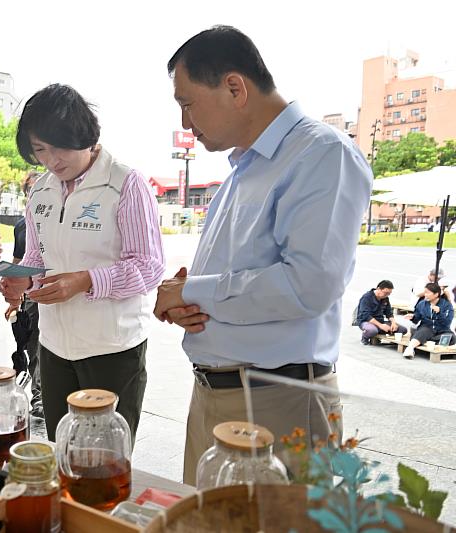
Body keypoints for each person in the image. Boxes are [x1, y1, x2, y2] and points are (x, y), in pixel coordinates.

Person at [152, 26, 372, 484]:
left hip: (278, 398)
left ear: (235, 87)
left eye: (187, 104)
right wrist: (190, 300)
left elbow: (307, 285)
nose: (187, 124)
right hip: (218, 391)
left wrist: (193, 291)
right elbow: (239, 274)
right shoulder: (243, 168)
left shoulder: (321, 154)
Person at [0, 84, 165, 442]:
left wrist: (86, 280)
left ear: (86, 136)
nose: (52, 160)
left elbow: (149, 266)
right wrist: (22, 280)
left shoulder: (125, 184)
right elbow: (37, 258)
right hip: (55, 345)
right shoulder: (41, 190)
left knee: (106, 458)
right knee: (64, 449)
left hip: (112, 348)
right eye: (41, 150)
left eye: (59, 147)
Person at [5, 170, 43, 418]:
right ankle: (38, 394)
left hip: (53, 292)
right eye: (30, 189)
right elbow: (18, 261)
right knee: (31, 344)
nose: (35, 192)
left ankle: (40, 396)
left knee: (43, 345)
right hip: (30, 296)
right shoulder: (21, 226)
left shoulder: (57, 219)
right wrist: (14, 298)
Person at [402, 283, 455, 359]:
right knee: (423, 331)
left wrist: (440, 313)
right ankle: (410, 349)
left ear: (436, 294)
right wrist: (412, 317)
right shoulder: (421, 304)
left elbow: (447, 322)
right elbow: (416, 319)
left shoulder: (446, 305)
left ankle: (421, 340)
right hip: (427, 328)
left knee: (451, 337)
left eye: (428, 293)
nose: (425, 295)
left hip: (442, 330)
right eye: (425, 292)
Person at [356, 280, 407, 344]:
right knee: (372, 330)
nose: (387, 295)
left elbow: (389, 313)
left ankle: (379, 331)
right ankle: (365, 338)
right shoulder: (366, 297)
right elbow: (366, 315)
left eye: (389, 294)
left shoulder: (385, 298)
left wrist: (393, 323)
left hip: (381, 321)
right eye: (385, 293)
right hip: (367, 321)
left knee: (403, 330)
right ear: (378, 289)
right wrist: (381, 326)